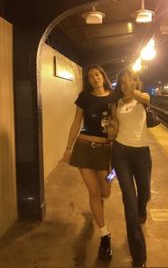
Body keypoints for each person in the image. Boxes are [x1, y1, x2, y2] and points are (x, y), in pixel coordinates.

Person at [62, 65, 114, 261]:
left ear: (103, 76)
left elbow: (119, 121)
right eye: (91, 76)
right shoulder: (84, 97)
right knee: (93, 192)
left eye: (97, 74)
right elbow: (77, 122)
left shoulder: (113, 97)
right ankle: (104, 234)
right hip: (83, 148)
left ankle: (97, 208)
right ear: (88, 80)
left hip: (106, 151)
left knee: (106, 191)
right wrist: (68, 149)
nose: (94, 78)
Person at [111, 68, 152, 267]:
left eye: (128, 82)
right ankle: (139, 257)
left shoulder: (143, 98)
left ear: (135, 82)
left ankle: (142, 207)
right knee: (129, 202)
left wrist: (132, 88)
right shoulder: (117, 103)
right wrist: (110, 128)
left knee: (144, 193)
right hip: (120, 153)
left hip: (142, 154)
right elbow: (115, 127)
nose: (124, 86)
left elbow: (145, 97)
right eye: (122, 83)